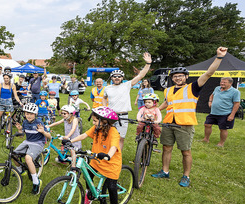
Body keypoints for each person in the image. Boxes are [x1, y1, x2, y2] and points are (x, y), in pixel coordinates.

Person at [152, 47, 228, 187]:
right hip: (169, 123)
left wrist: (219, 57)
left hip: (184, 124)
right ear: (172, 78)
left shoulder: (193, 87)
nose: (177, 78)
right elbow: (167, 103)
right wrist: (155, 109)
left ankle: (186, 176)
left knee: (185, 151)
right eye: (175, 76)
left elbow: (209, 73)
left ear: (186, 77)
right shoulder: (167, 90)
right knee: (166, 148)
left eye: (180, 75)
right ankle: (165, 171)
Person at [63, 106, 122, 204]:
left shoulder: (113, 132)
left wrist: (108, 156)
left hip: (110, 163)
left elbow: (114, 147)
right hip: (96, 161)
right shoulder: (96, 128)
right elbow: (84, 135)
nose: (93, 123)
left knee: (111, 187)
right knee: (88, 175)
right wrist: (70, 140)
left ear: (104, 121)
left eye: (95, 121)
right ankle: (90, 194)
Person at [102, 52, 152, 150]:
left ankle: (118, 157)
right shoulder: (107, 88)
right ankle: (108, 155)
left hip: (123, 115)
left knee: (120, 138)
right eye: (114, 76)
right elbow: (104, 97)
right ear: (111, 78)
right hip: (111, 116)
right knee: (109, 137)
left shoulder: (127, 85)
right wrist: (105, 108)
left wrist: (148, 64)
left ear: (122, 78)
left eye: (119, 76)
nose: (117, 78)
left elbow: (140, 76)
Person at [13, 103, 51, 195]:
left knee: (28, 158)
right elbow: (22, 136)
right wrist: (19, 129)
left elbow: (49, 136)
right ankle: (20, 171)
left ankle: (36, 181)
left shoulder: (39, 123)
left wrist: (43, 131)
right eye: (27, 113)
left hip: (38, 143)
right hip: (28, 141)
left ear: (35, 114)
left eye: (31, 114)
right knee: (13, 154)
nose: (28, 115)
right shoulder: (25, 122)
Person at [201, 77, 241, 147]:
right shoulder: (217, 88)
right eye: (221, 82)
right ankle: (206, 139)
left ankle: (221, 143)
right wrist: (210, 101)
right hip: (213, 112)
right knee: (207, 125)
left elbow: (236, 104)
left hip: (225, 113)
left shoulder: (235, 92)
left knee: (223, 128)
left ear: (230, 83)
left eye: (224, 82)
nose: (222, 83)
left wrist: (232, 115)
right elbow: (212, 95)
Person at [0, 73, 22, 140]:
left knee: (9, 120)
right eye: (5, 78)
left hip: (9, 103)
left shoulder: (12, 85)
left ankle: (8, 135)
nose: (6, 80)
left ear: (9, 79)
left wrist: (20, 102)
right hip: (1, 103)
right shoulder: (1, 85)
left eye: (7, 78)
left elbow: (15, 95)